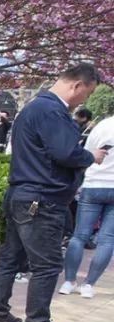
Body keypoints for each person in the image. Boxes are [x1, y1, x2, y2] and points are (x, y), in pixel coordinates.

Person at [0, 61, 105, 322]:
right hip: (41, 198)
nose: (84, 100)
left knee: (11, 257)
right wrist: (90, 157)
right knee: (48, 264)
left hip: (21, 194)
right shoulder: (52, 111)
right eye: (86, 94)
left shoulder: (34, 108)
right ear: (77, 85)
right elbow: (65, 153)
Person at [61, 110, 114, 298]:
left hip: (94, 184)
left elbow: (87, 152)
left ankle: (69, 281)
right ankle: (89, 285)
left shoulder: (102, 125)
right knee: (108, 240)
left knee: (79, 236)